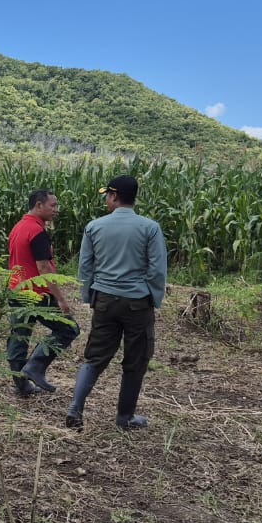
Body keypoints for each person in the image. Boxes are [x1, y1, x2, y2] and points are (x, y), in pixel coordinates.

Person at [66, 174, 168, 431]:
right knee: (136, 361)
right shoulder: (150, 227)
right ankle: (125, 418)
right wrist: (153, 298)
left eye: (107, 196)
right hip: (137, 302)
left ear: (113, 196)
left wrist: (88, 295)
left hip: (104, 300)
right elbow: (157, 269)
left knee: (95, 357)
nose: (106, 200)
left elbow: (85, 266)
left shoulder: (94, 227)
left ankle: (75, 408)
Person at [6, 189, 79, 396]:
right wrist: (61, 299)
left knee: (19, 335)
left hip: (17, 290)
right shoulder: (37, 232)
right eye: (52, 205)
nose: (56, 210)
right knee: (69, 329)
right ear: (39, 205)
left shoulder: (18, 227)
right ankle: (35, 367)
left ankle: (21, 386)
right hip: (36, 293)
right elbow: (44, 268)